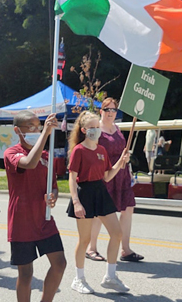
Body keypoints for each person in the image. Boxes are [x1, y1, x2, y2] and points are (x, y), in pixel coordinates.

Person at [4, 111, 66, 302]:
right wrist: (46, 133)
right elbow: (29, 163)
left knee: (59, 263)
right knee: (26, 273)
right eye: (30, 127)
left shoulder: (46, 156)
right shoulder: (12, 153)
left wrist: (52, 197)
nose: (36, 130)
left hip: (44, 220)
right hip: (22, 222)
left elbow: (53, 187)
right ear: (17, 130)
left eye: (38, 126)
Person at [67, 111, 130, 294]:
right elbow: (72, 178)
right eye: (92, 127)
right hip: (84, 194)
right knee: (85, 239)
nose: (95, 130)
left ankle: (110, 276)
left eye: (97, 127)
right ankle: (78, 279)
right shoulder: (78, 150)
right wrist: (76, 202)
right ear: (84, 130)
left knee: (117, 233)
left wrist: (120, 162)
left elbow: (107, 177)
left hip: (101, 192)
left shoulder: (102, 151)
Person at [86, 98, 144, 263]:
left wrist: (127, 163)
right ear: (101, 111)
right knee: (100, 214)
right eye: (107, 109)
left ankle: (125, 249)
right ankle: (91, 248)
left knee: (128, 209)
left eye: (113, 110)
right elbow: (91, 151)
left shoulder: (117, 129)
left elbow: (122, 152)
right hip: (105, 174)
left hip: (122, 174)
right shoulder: (97, 129)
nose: (111, 113)